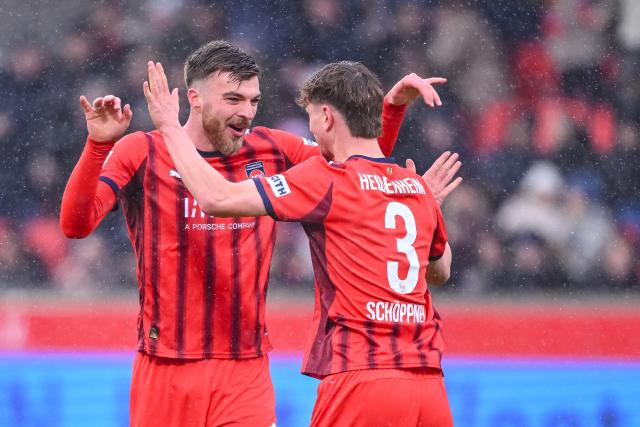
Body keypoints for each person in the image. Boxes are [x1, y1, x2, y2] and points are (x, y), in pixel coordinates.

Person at [60, 41, 458, 427]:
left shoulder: (272, 149)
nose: (247, 112)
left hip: (244, 369)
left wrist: (387, 112)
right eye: (234, 100)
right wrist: (97, 146)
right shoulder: (141, 150)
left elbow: (353, 169)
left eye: (253, 100)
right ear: (195, 99)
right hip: (164, 366)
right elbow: (75, 226)